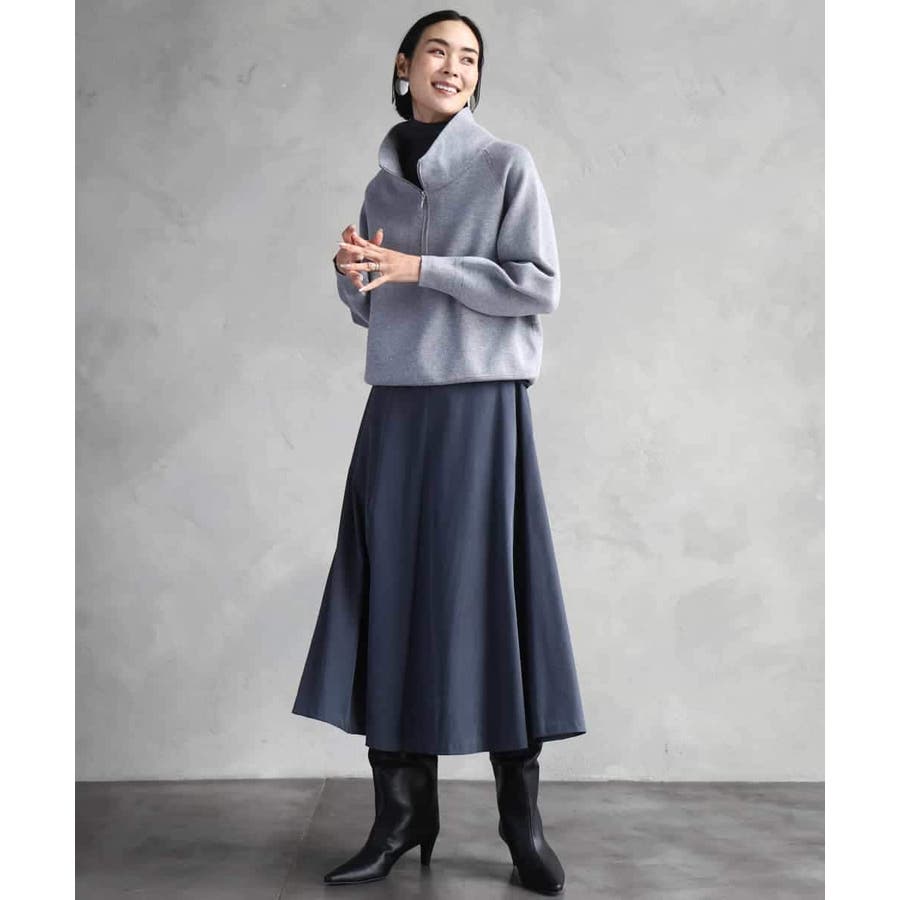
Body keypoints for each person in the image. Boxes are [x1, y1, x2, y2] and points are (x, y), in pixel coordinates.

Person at [291, 11, 586, 895]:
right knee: (391, 597)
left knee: (490, 598)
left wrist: (422, 267)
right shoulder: (381, 188)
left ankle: (519, 822)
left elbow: (537, 286)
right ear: (405, 64)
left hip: (480, 412)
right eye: (438, 52)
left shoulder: (506, 166)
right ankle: (402, 816)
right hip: (396, 412)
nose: (454, 67)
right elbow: (379, 310)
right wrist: (355, 278)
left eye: (469, 57)